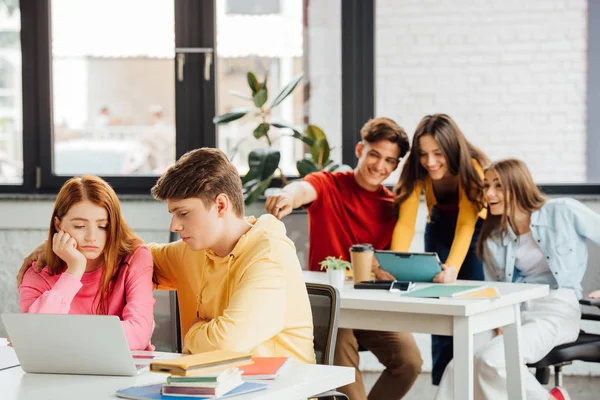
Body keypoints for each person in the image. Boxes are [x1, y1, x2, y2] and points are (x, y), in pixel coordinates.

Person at [18, 148, 315, 363]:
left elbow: (227, 343)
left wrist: (192, 335)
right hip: (217, 386)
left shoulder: (269, 254)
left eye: (183, 213)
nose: (174, 226)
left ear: (221, 206)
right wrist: (59, 249)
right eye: (173, 214)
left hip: (280, 390)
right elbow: (131, 255)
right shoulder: (194, 251)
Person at [266, 117, 421, 400]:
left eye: (389, 161)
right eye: (374, 154)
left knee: (410, 361)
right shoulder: (330, 184)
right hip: (332, 304)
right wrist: (285, 195)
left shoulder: (391, 207)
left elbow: (389, 261)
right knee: (343, 354)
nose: (379, 166)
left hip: (369, 304)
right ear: (360, 150)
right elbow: (301, 189)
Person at [435, 158, 600, 400]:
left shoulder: (563, 211)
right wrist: (497, 324)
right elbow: (497, 291)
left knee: (494, 360)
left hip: (556, 310)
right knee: (459, 365)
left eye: (498, 185)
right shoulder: (494, 238)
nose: (489, 193)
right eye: (486, 186)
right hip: (512, 313)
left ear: (518, 185)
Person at [391, 113, 488, 385]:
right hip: (439, 227)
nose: (430, 162)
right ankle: (443, 384)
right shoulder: (415, 169)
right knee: (437, 302)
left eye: (438, 153)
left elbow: (466, 226)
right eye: (423, 154)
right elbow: (406, 223)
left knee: (467, 303)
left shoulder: (472, 167)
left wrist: (453, 268)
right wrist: (391, 265)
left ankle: (471, 379)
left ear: (451, 149)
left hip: (472, 232)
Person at [18, 175, 155, 351]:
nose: (92, 237)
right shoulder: (38, 271)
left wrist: (57, 335)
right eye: (80, 226)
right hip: (58, 374)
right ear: (58, 225)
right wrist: (74, 270)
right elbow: (34, 339)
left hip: (125, 374)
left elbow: (138, 335)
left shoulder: (135, 258)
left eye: (103, 226)